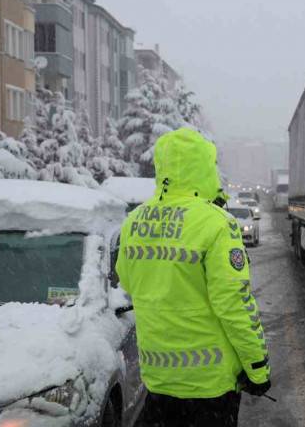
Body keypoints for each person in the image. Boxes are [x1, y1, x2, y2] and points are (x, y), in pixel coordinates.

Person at [116, 128, 271, 427]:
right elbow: (235, 304)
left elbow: (128, 283)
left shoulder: (134, 221)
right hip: (210, 388)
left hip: (159, 380)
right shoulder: (215, 223)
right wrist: (257, 369)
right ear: (203, 167)